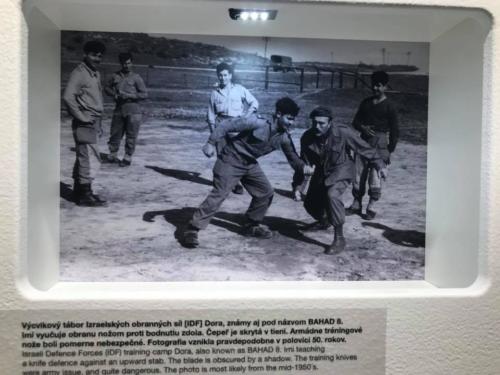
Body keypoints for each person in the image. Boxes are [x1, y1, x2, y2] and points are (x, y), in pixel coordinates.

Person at [182, 97, 313, 248]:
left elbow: (293, 158)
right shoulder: (257, 122)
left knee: (266, 192)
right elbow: (226, 125)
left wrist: (303, 167)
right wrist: (211, 143)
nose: (291, 123)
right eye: (289, 118)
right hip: (231, 158)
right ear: (278, 114)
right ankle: (193, 228)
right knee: (220, 193)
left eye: (293, 120)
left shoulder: (283, 137)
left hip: (249, 164)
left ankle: (251, 225)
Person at [296, 106, 387, 255]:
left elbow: (364, 148)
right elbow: (305, 165)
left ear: (330, 123)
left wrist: (380, 165)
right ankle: (324, 221)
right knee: (310, 204)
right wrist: (299, 187)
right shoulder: (307, 138)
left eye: (321, 123)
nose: (317, 127)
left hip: (342, 169)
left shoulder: (343, 132)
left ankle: (339, 238)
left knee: (332, 195)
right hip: (322, 172)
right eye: (314, 123)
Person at [346, 71, 399, 220]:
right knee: (358, 174)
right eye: (374, 85)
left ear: (386, 87)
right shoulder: (366, 103)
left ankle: (371, 206)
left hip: (380, 144)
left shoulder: (390, 106)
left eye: (379, 85)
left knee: (375, 176)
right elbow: (355, 122)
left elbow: (395, 130)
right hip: (363, 143)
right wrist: (362, 128)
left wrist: (389, 150)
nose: (375, 88)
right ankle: (356, 204)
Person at [63, 40, 107, 207]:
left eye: (100, 56)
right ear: (85, 54)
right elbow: (68, 97)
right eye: (94, 54)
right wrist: (81, 117)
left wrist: (99, 124)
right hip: (85, 121)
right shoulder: (79, 73)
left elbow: (96, 100)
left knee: (84, 157)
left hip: (93, 121)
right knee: (89, 158)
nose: (97, 58)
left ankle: (79, 191)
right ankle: (84, 195)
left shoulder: (94, 73)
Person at [207, 62, 259, 194]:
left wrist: (246, 117)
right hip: (220, 124)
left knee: (237, 154)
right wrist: (213, 133)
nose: (222, 78)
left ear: (230, 75)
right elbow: (211, 115)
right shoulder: (215, 93)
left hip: (236, 125)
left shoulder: (240, 89)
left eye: (225, 75)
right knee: (222, 155)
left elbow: (254, 103)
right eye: (220, 75)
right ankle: (222, 181)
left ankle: (237, 182)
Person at [104, 52, 148, 167]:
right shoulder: (115, 76)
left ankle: (127, 157)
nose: (126, 66)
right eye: (124, 63)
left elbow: (144, 94)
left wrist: (130, 96)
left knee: (131, 134)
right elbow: (106, 88)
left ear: (131, 63)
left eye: (128, 63)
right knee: (115, 133)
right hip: (119, 108)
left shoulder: (136, 78)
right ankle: (112, 154)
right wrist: (114, 94)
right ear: (121, 64)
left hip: (133, 109)